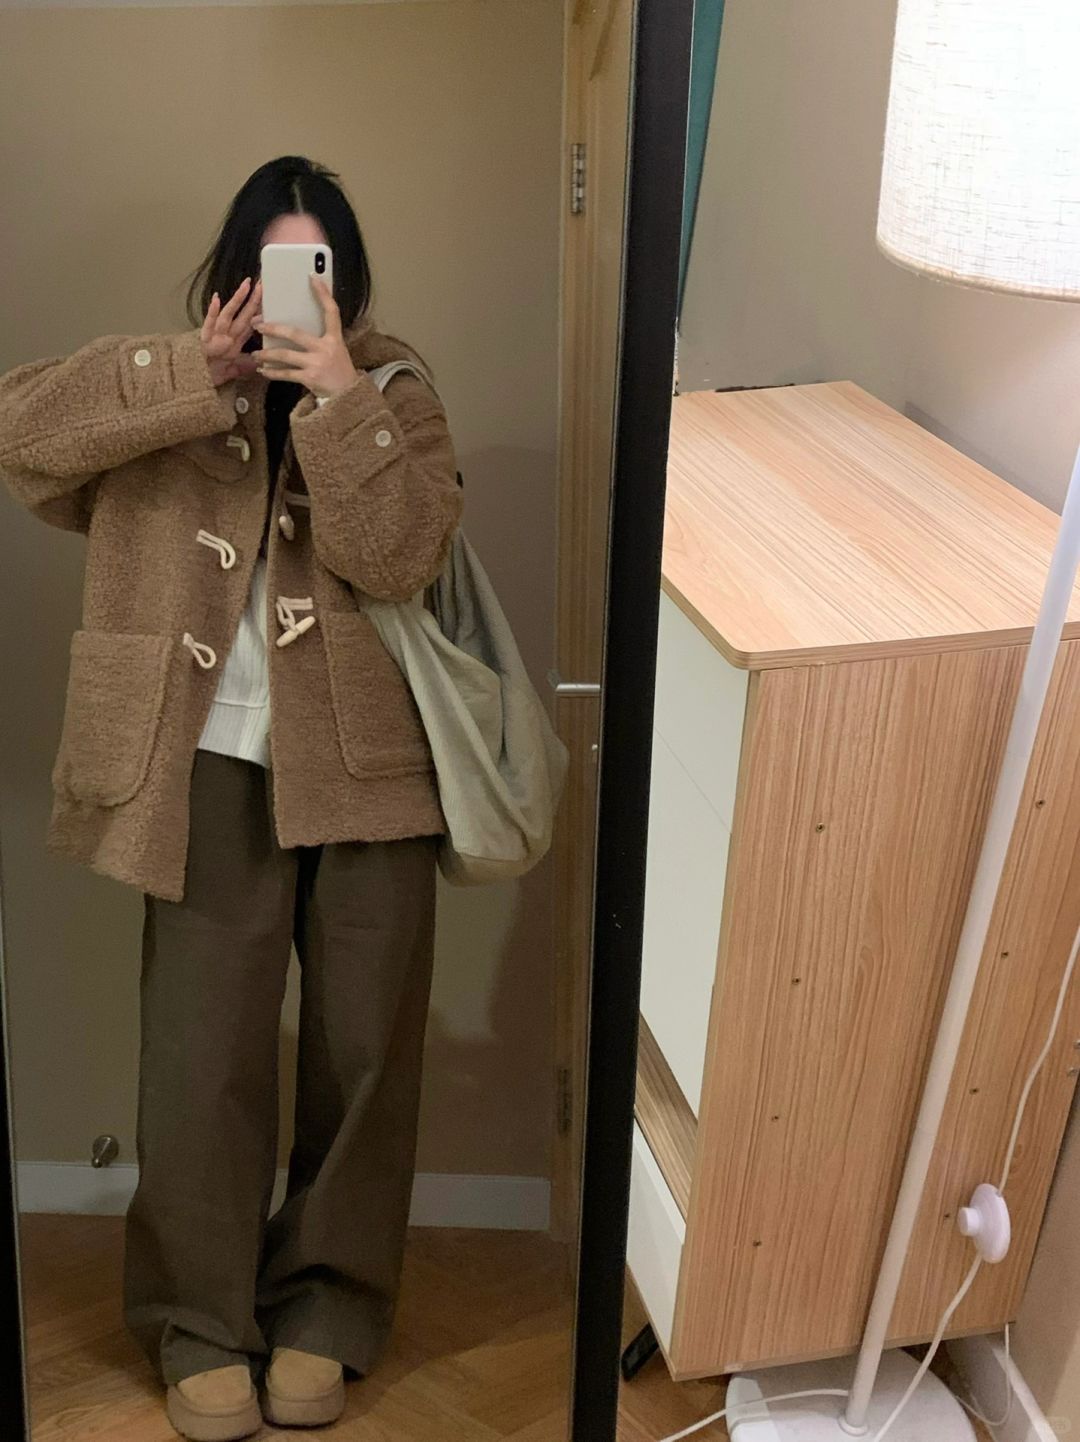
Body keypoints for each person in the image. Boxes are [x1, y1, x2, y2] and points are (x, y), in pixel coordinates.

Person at [0, 155, 464, 1441]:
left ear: (345, 285)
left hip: (371, 772)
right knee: (198, 1057)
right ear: (232, 276)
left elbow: (404, 554)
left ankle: (328, 1308)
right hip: (203, 764)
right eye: (272, 269)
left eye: (316, 272)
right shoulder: (166, 391)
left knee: (364, 1054)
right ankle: (199, 1321)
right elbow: (21, 436)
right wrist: (188, 374)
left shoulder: (396, 394)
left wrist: (342, 401)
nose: (290, 299)